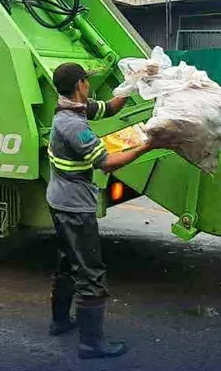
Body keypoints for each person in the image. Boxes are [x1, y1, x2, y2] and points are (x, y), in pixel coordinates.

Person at [46, 62, 159, 360]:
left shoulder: (72, 106)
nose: (90, 86)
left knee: (67, 262)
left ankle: (59, 322)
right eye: (87, 81)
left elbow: (109, 108)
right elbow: (106, 162)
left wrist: (132, 82)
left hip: (59, 200)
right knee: (89, 271)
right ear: (81, 84)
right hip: (73, 207)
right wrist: (148, 146)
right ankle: (90, 344)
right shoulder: (72, 125)